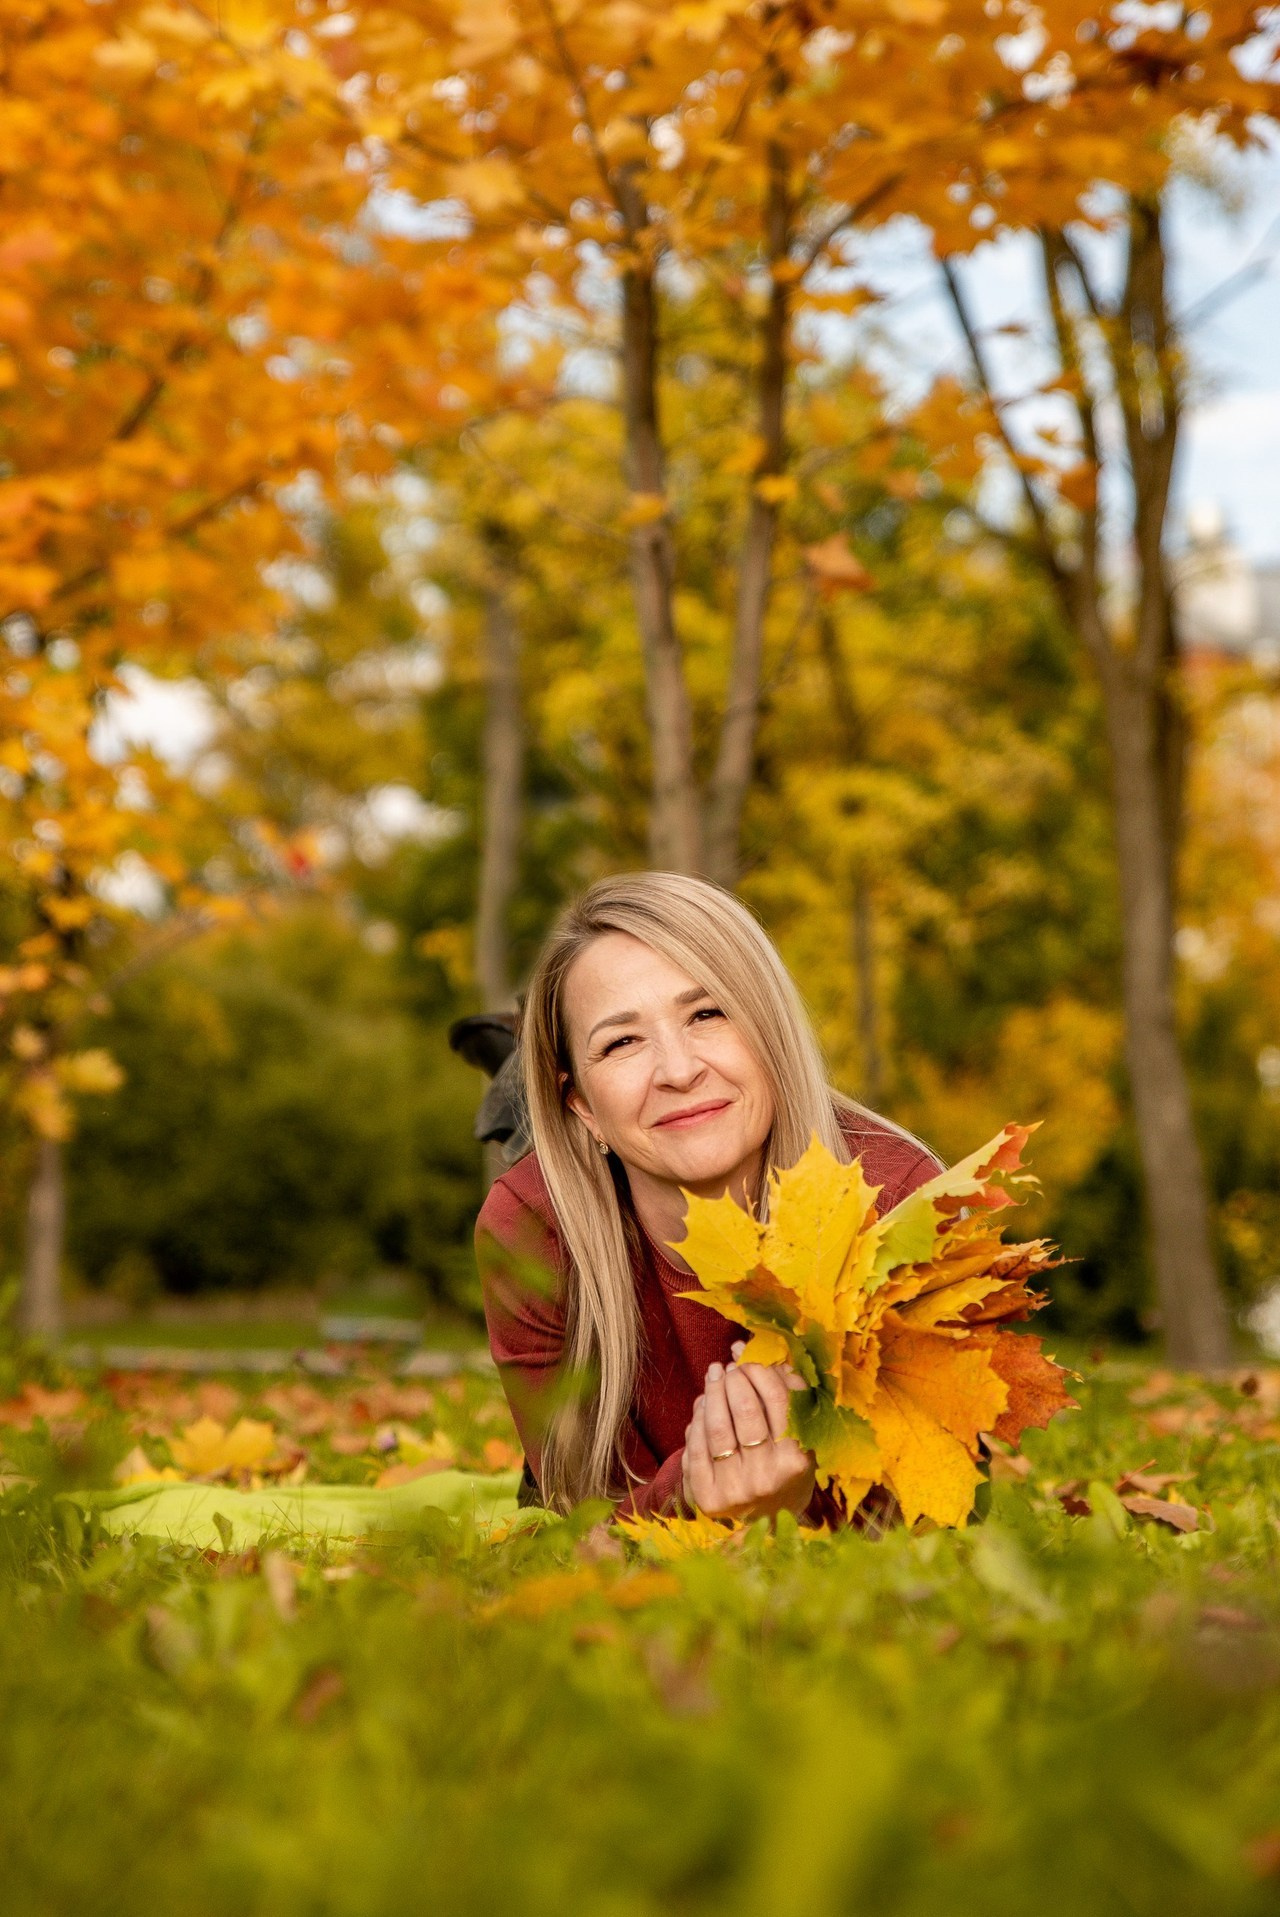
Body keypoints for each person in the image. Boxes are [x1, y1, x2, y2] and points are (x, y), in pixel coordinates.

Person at [476, 873, 942, 1525]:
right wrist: (695, 1491)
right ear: (581, 1105)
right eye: (621, 1041)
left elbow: (934, 1510)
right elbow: (583, 1522)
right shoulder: (531, 1225)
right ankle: (522, 1078)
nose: (678, 1068)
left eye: (708, 1012)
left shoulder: (896, 1202)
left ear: (771, 1029)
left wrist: (791, 1501)